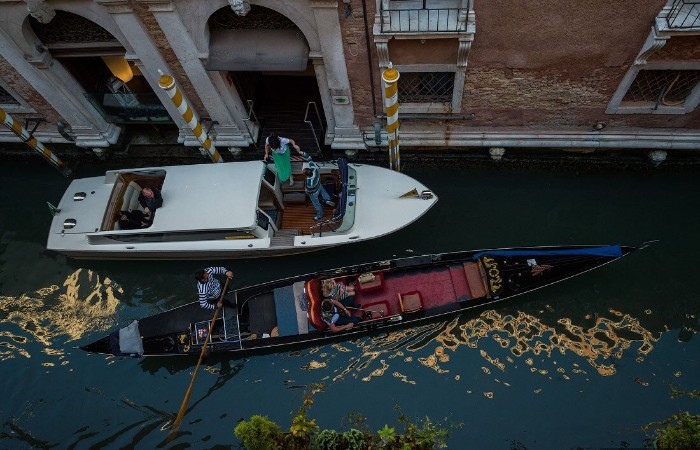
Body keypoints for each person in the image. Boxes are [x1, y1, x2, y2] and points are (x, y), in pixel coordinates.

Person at [299, 150, 335, 221]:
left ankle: (320, 215)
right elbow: (309, 159)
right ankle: (327, 199)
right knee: (323, 192)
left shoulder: (309, 183)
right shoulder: (314, 169)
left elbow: (309, 191)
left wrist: (306, 191)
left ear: (306, 175)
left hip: (314, 192)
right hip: (319, 185)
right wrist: (302, 153)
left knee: (316, 204)